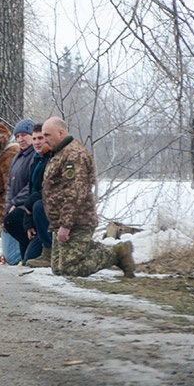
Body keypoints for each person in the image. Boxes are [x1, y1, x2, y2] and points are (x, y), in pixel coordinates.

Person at [41, 116, 136, 277]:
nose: (44, 139)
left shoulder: (73, 155)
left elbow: (75, 192)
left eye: (47, 135)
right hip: (60, 221)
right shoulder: (59, 153)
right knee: (58, 269)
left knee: (68, 269)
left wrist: (66, 224)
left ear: (61, 132)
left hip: (77, 221)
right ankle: (111, 251)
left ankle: (116, 253)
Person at [1, 119, 37, 264]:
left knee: (14, 221)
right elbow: (10, 185)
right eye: (18, 136)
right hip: (14, 205)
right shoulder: (18, 157)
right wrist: (9, 205)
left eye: (24, 135)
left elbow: (32, 184)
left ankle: (30, 254)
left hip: (26, 205)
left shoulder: (35, 156)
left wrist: (17, 203)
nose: (20, 139)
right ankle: (24, 256)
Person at [21, 124, 53, 267]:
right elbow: (32, 190)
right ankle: (27, 248)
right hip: (34, 211)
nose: (37, 142)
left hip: (49, 212)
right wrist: (29, 222)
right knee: (13, 218)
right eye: (34, 138)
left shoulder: (53, 159)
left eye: (40, 138)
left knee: (38, 205)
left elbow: (51, 189)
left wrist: (30, 202)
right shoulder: (36, 160)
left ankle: (49, 249)